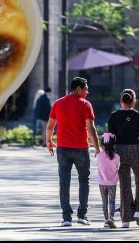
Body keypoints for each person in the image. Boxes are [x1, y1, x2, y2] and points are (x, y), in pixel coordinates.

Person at [46, 77, 100, 227]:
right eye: (86, 89)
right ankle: (82, 215)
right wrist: (97, 148)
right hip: (81, 149)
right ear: (78, 89)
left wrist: (48, 141)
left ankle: (66, 218)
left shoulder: (58, 103)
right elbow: (91, 128)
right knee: (84, 181)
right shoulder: (85, 104)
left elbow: (50, 126)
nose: (87, 92)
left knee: (64, 182)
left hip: (63, 149)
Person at [107, 88, 139, 228]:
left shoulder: (113, 116)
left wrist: (110, 154)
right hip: (137, 150)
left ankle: (125, 220)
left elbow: (110, 137)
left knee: (124, 185)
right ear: (134, 102)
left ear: (121, 101)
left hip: (120, 152)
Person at [96, 132, 120, 228]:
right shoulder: (117, 157)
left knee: (104, 201)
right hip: (112, 182)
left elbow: (97, 164)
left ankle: (106, 220)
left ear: (102, 145)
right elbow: (117, 166)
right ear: (114, 145)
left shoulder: (99, 156)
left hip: (102, 182)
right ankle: (111, 218)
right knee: (112, 201)